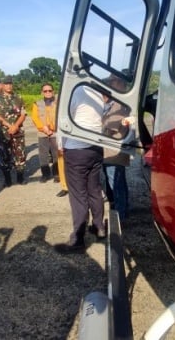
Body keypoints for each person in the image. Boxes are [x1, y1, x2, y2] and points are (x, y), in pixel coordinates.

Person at [55, 85, 106, 253]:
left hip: (76, 150)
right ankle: (99, 227)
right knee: (95, 190)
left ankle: (78, 238)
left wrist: (60, 144)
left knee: (78, 195)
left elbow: (63, 119)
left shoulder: (73, 90)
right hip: (96, 148)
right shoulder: (97, 92)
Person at [101, 86, 133, 220]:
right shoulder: (109, 106)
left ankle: (121, 214)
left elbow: (111, 127)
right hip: (109, 151)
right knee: (117, 182)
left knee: (117, 184)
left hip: (114, 152)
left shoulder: (118, 107)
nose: (101, 96)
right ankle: (122, 208)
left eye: (102, 93)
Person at [0, 76, 27, 186]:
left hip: (18, 130)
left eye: (10, 83)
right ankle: (8, 179)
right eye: (6, 84)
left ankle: (20, 177)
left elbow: (23, 114)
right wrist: (9, 125)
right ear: (2, 85)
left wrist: (15, 126)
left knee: (20, 154)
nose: (9, 86)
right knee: (5, 155)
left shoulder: (18, 97)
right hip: (4, 132)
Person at [31, 83, 59, 183]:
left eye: (50, 90)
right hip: (42, 133)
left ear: (53, 91)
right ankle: (45, 174)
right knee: (43, 155)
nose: (48, 92)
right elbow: (35, 117)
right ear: (42, 92)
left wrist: (53, 129)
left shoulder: (58, 103)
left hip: (55, 133)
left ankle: (57, 174)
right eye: (45, 91)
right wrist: (43, 128)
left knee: (56, 154)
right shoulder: (37, 103)